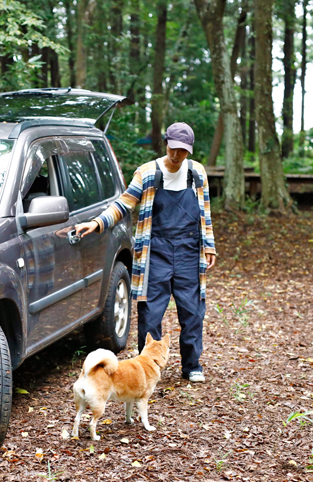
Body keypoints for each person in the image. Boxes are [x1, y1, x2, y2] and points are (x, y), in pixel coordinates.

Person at [75, 122, 216, 383]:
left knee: (193, 312)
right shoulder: (148, 173)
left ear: (190, 150)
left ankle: (192, 365)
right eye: (173, 149)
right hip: (155, 253)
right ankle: (146, 369)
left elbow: (204, 212)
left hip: (188, 251)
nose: (177, 156)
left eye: (183, 151)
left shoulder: (197, 173)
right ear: (166, 144)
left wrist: (209, 245)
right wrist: (98, 223)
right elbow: (124, 203)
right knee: (150, 313)